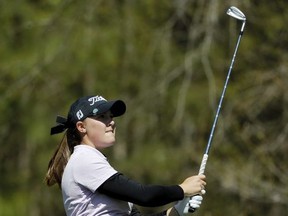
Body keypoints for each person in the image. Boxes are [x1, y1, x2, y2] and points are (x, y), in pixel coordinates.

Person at [45, 95, 206, 216]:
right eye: (102, 116)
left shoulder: (92, 162)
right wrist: (182, 189)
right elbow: (144, 195)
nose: (111, 122)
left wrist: (178, 211)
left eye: (111, 116)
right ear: (81, 127)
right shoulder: (84, 160)